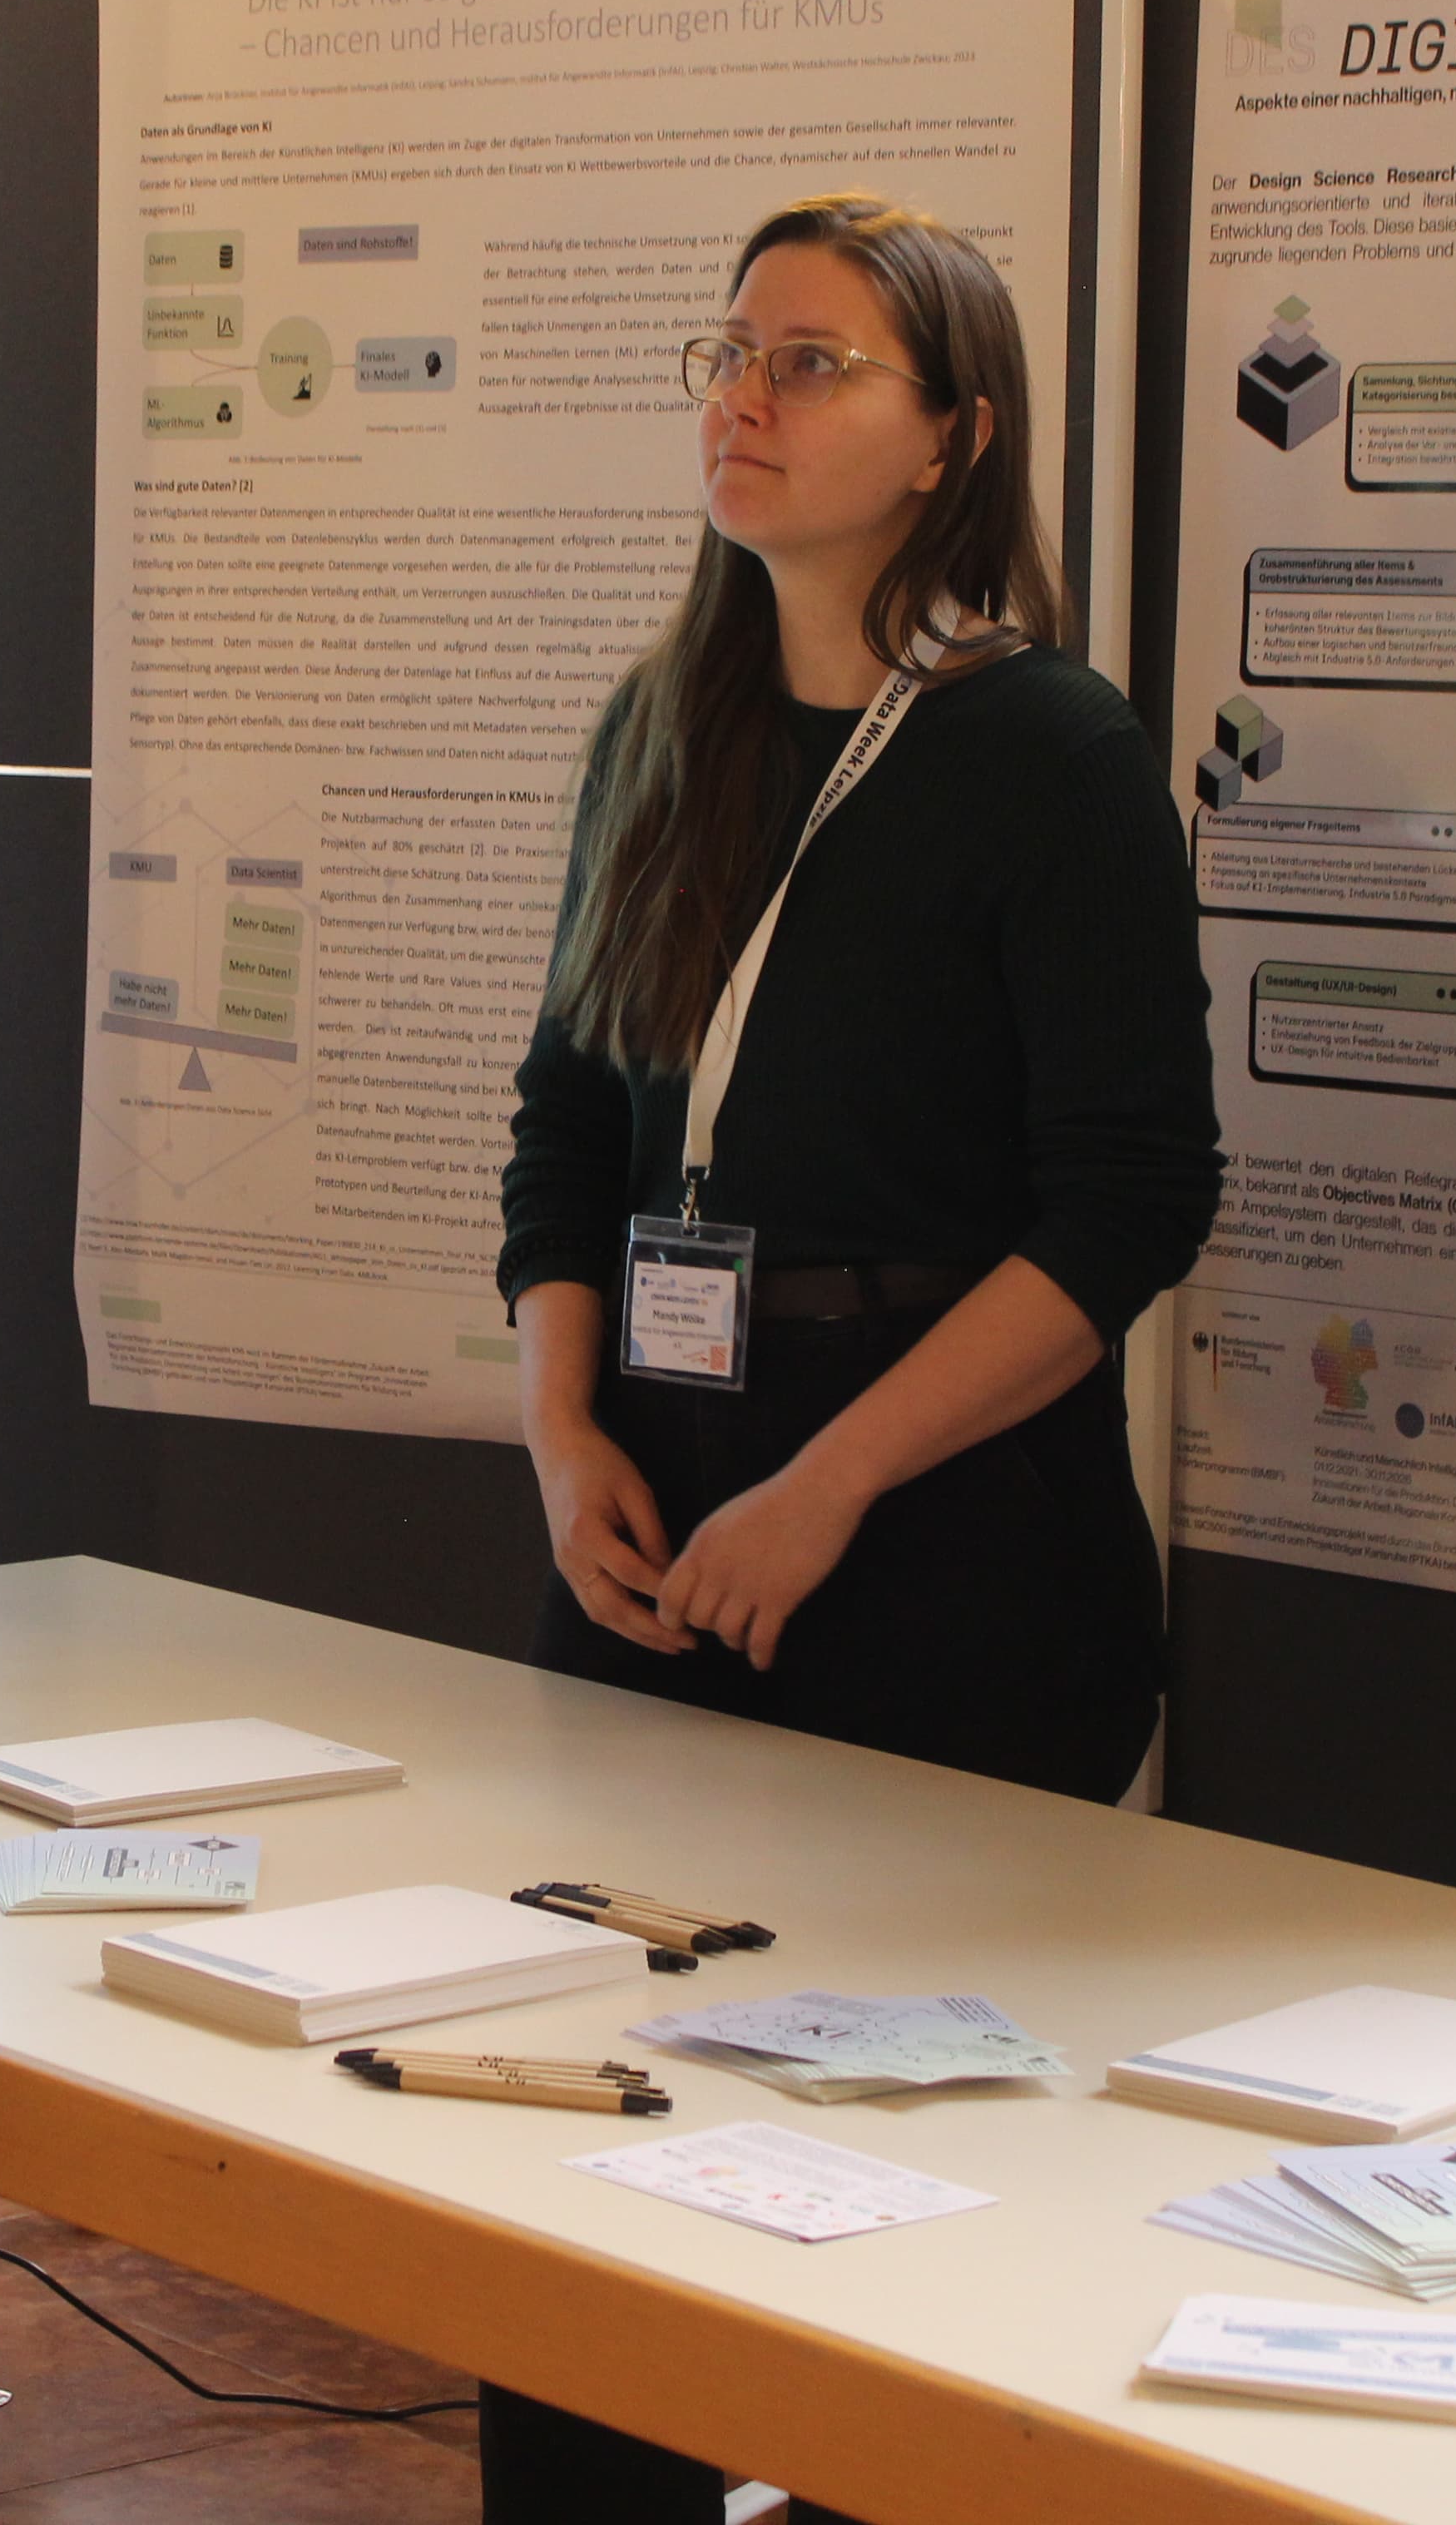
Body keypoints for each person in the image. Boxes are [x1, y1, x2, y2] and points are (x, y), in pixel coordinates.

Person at [484, 195, 1220, 2525]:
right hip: (658, 1522)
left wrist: (831, 1493)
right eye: (732, 350)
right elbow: (574, 1118)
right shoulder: (658, 723)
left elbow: (1128, 1204)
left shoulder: (1050, 753)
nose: (746, 396)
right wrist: (559, 1420)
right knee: (589, 2166)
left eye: (813, 364)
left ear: (952, 439)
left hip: (954, 1566)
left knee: (898, 2218)